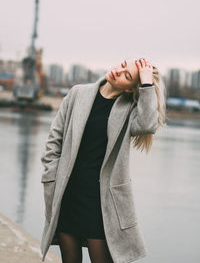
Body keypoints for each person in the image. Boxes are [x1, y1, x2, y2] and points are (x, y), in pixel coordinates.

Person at [40, 58, 166, 263]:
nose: (119, 70)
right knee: (69, 259)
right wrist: (51, 177)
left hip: (101, 200)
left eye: (127, 76)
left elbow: (147, 125)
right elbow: (54, 142)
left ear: (128, 89)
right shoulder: (77, 93)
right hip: (67, 192)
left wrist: (145, 84)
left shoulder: (128, 110)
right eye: (123, 65)